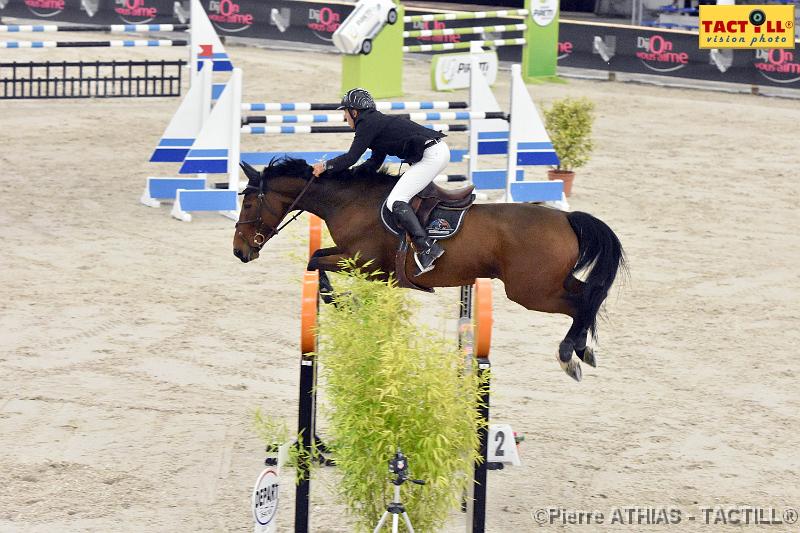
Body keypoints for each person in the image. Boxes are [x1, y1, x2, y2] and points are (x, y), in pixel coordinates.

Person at [311, 88, 450, 276]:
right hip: (435, 152)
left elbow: (352, 157)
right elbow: (375, 161)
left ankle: (426, 248)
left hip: (432, 156)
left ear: (355, 111)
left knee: (396, 201)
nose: (344, 118)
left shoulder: (366, 124)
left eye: (345, 112)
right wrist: (352, 176)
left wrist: (326, 166)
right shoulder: (376, 123)